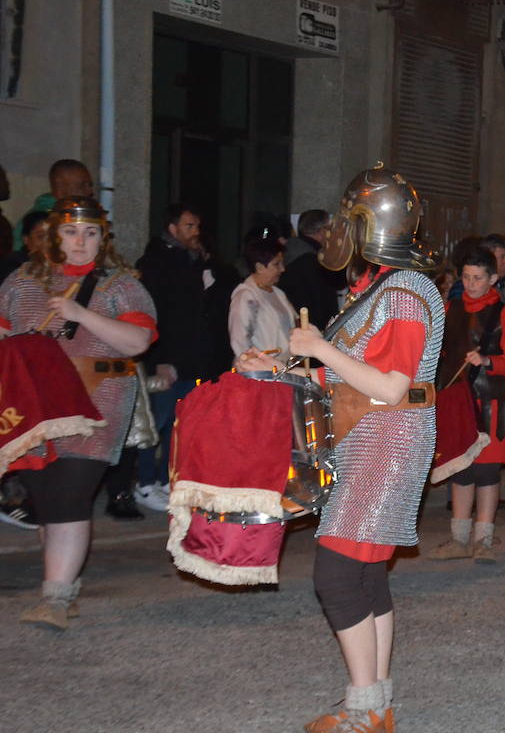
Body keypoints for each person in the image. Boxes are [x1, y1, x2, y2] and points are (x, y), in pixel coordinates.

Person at [240, 166, 443, 733]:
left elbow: (392, 386)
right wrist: (279, 367)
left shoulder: (404, 291)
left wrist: (319, 347)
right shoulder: (381, 286)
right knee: (363, 571)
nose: (336, 232)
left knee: (335, 573)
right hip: (368, 434)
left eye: (347, 221)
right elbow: (348, 376)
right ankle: (374, 703)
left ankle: (365, 707)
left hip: (389, 435)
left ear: (370, 225)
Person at [1, 197, 156, 629]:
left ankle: (55, 596)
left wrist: (79, 313)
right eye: (71, 232)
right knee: (46, 495)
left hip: (97, 398)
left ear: (102, 238)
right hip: (34, 404)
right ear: (54, 235)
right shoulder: (21, 282)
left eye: (90, 233)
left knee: (70, 492)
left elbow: (138, 341)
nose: (81, 241)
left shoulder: (120, 284)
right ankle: (61, 587)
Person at [430, 247, 505, 562]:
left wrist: (489, 360)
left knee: (487, 472)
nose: (471, 283)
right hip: (458, 401)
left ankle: (483, 538)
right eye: (466, 277)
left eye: (478, 278)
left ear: (493, 278)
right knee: (461, 469)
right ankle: (459, 539)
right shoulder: (450, 308)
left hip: (493, 403)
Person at [134, 203, 229, 511]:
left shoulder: (192, 262)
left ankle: (165, 479)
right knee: (157, 421)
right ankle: (143, 482)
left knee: (178, 423)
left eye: (197, 226)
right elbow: (155, 315)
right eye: (189, 226)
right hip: (167, 358)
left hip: (191, 358)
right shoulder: (156, 263)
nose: (195, 232)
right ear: (172, 229)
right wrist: (160, 358)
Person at [279, 208, 345, 331]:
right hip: (313, 331)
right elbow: (322, 302)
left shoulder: (289, 251)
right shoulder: (313, 260)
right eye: (330, 229)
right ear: (321, 232)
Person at [228, 237, 294, 356]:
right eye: (277, 264)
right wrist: (253, 367)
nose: (282, 269)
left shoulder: (278, 293)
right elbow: (239, 340)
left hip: (284, 367)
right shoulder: (246, 296)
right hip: (262, 370)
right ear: (259, 267)